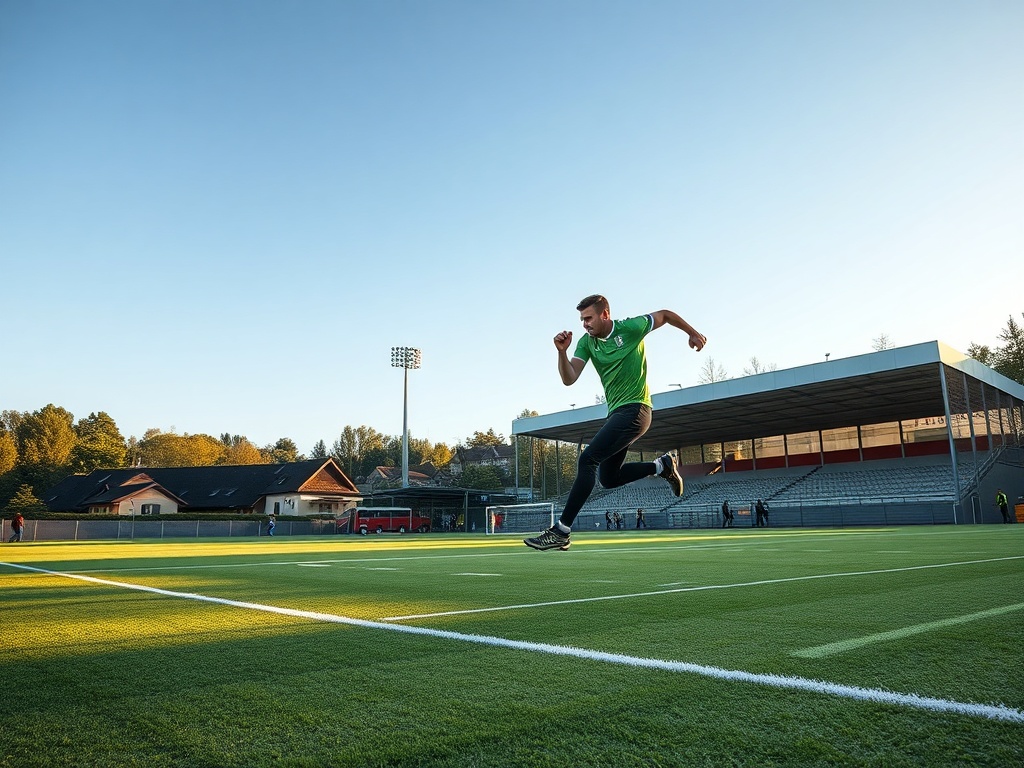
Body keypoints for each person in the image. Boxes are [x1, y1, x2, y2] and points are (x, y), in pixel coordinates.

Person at [525, 294, 706, 551]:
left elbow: (664, 315)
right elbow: (569, 378)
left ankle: (561, 530)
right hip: (617, 414)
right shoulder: (587, 344)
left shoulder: (630, 328)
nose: (584, 324)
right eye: (581, 320)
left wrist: (692, 332)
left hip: (637, 409)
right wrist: (562, 354)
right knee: (608, 478)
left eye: (588, 318)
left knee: (587, 459)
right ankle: (661, 466)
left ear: (605, 315)